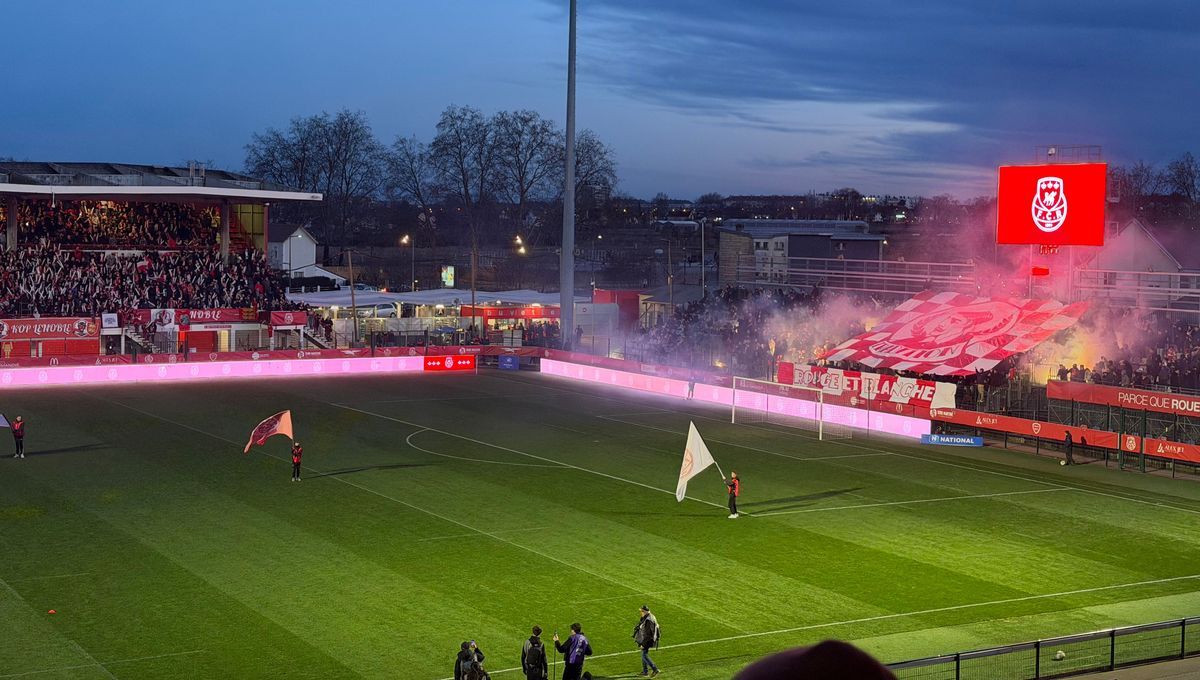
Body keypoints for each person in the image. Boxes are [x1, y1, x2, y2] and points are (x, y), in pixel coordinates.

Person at [632, 605, 660, 676]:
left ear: (644, 611)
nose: (640, 612)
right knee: (643, 654)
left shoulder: (648, 620)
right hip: (646, 639)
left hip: (647, 640)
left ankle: (655, 669)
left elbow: (649, 634)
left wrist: (643, 644)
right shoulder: (648, 617)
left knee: (644, 655)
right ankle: (645, 671)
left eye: (641, 611)